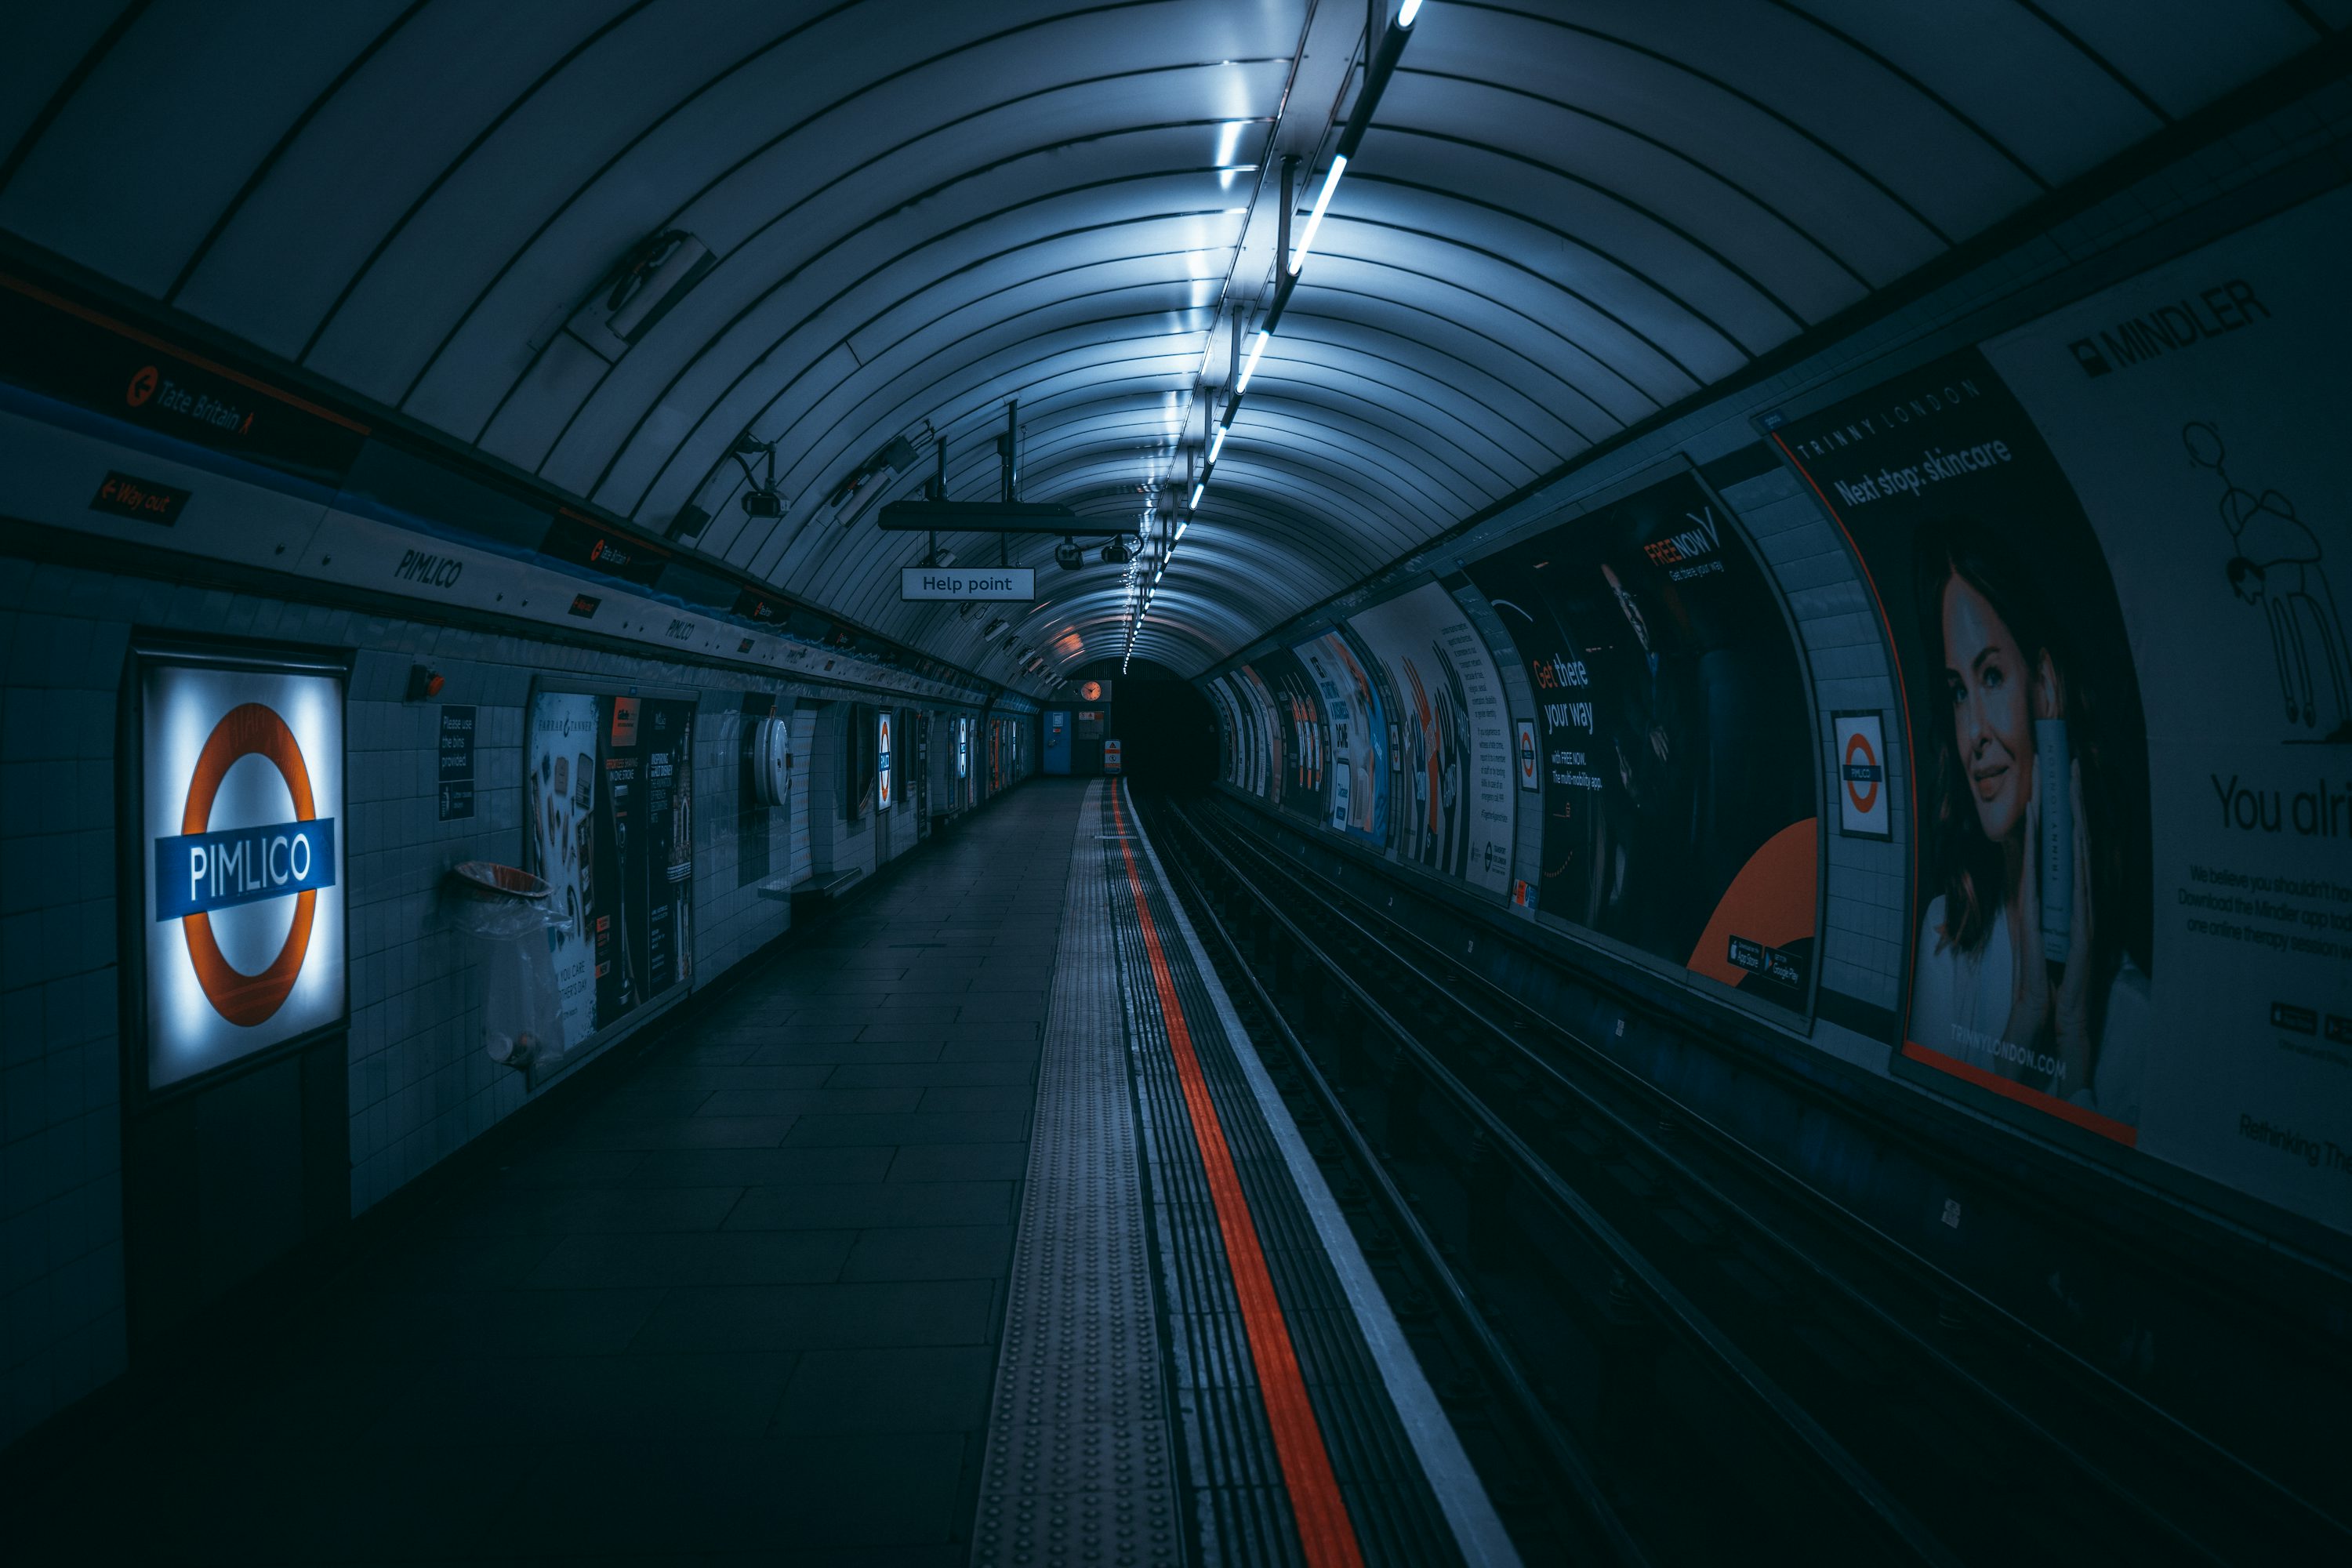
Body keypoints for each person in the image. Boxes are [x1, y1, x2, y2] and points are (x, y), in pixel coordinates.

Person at [1907, 517, 2145, 1122]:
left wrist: (2072, 1045)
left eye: (1991, 677)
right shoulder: (1945, 941)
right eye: (1959, 692)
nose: (1975, 736)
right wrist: (2027, 1016)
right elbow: (1933, 1164)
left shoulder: (2132, 1012)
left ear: (2045, 689)